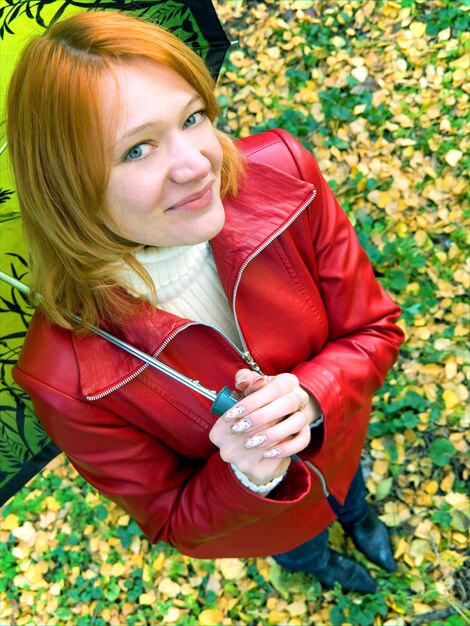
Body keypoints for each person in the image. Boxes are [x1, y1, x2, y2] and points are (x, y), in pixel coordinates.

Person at [7, 11, 404, 594]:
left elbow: (375, 328)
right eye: (137, 150)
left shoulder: (283, 175)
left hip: (342, 441)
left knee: (351, 489)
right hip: (278, 522)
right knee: (304, 547)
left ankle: (359, 517)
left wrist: (316, 395)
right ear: (68, 187)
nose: (199, 165)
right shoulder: (65, 374)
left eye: (192, 117)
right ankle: (323, 565)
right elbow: (172, 520)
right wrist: (244, 474)